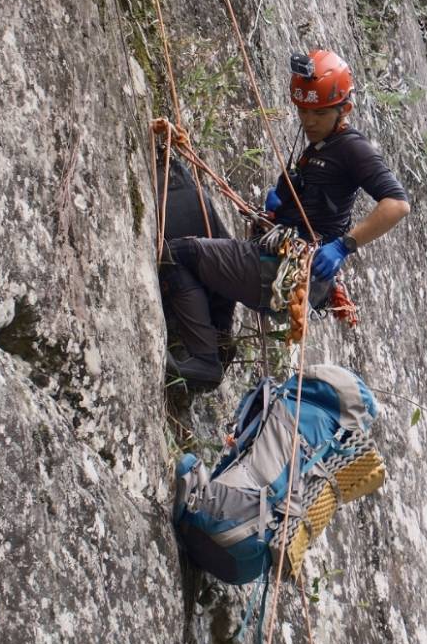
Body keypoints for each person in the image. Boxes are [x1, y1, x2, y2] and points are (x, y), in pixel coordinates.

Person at [160, 49, 411, 389]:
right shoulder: (317, 145)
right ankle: (217, 343)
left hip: (290, 273)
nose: (308, 121)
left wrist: (343, 245)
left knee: (177, 255)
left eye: (319, 113)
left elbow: (396, 204)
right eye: (303, 111)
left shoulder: (353, 148)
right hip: (273, 257)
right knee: (199, 219)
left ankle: (205, 361)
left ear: (344, 110)